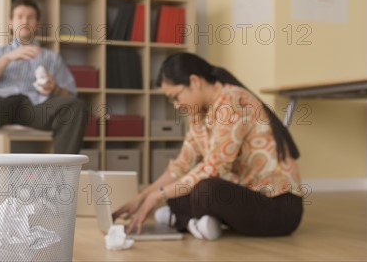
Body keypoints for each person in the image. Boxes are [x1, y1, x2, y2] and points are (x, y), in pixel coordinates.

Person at [113, 53, 303, 240]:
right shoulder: (198, 115)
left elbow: (214, 169)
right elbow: (180, 167)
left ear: (195, 82)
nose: (176, 105)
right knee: (178, 190)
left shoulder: (232, 102)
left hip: (278, 208)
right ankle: (198, 223)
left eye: (175, 97)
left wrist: (157, 196)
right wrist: (143, 197)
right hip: (244, 198)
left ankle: (186, 221)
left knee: (206, 189)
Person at [0, 0, 89, 154]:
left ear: (37, 24)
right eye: (20, 16)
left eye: (30, 17)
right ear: (11, 22)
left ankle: (64, 177)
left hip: (37, 107)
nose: (25, 21)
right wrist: (8, 57)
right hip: (2, 103)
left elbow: (70, 94)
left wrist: (53, 87)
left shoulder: (51, 57)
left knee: (76, 107)